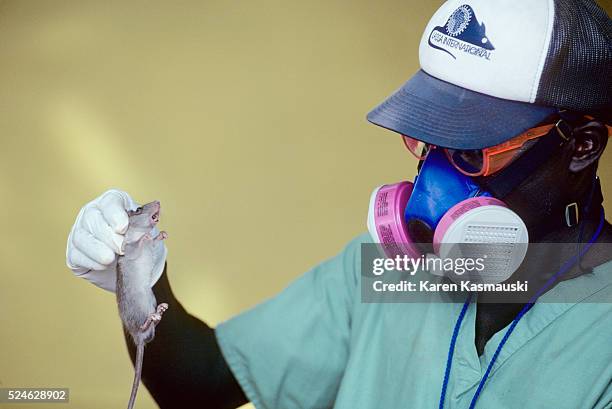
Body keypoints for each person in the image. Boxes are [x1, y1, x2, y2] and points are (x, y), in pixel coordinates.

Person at [66, 0, 612, 408]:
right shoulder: (391, 272)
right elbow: (199, 383)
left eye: (469, 149)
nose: (434, 181)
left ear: (582, 145)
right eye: (426, 140)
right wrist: (137, 279)